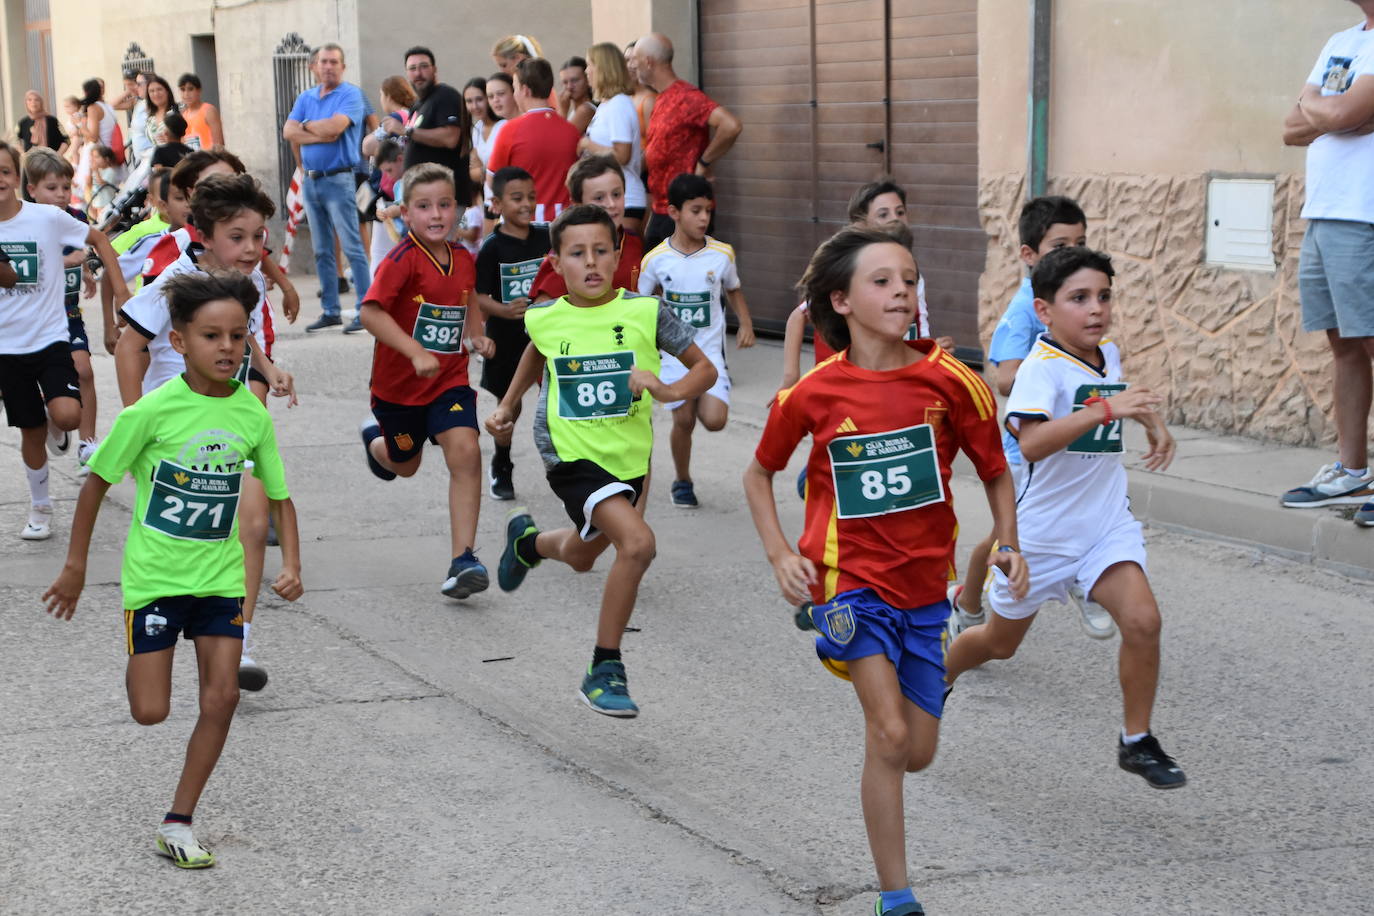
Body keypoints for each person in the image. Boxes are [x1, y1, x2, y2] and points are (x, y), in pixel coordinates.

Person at [742, 226, 1026, 916]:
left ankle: (941, 671)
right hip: (846, 584)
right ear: (841, 300)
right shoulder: (813, 393)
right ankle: (896, 896)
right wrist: (782, 552)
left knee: (917, 751)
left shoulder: (953, 383)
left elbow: (995, 472)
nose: (901, 290)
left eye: (908, 278)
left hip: (926, 591)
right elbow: (758, 474)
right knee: (889, 734)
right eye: (882, 280)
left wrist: (1008, 542)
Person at [43, 268, 303, 870]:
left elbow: (281, 496)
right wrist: (76, 565)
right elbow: (96, 486)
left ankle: (178, 822)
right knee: (150, 710)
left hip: (219, 580)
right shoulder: (152, 413)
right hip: (156, 582)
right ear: (180, 342)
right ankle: (142, 657)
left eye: (237, 336)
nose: (227, 348)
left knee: (222, 699)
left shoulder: (250, 413)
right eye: (211, 336)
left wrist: (291, 562)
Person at [944, 245, 1187, 791]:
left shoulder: (1108, 353)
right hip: (1043, 535)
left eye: (1103, 296)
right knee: (997, 644)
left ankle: (1136, 740)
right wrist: (1103, 410)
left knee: (1144, 621)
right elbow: (1030, 443)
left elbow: (1114, 397)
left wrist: (1152, 424)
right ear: (1045, 310)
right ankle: (940, 673)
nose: (1095, 309)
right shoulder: (1040, 370)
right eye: (1079, 298)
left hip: (1103, 524)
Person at [485, 204, 714, 717]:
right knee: (638, 544)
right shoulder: (545, 315)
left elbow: (703, 368)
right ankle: (604, 667)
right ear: (556, 261)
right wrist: (508, 405)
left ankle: (528, 544)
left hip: (629, 458)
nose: (590, 262)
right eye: (576, 253)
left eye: (601, 251)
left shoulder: (646, 313)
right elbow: (536, 353)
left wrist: (668, 387)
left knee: (586, 557)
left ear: (618, 255)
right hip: (570, 455)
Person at [117, 173, 296, 692]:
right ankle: (169, 624)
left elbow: (245, 332)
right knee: (194, 540)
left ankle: (242, 634)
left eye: (259, 237)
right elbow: (130, 347)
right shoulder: (175, 282)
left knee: (254, 522)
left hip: (232, 424)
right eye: (237, 237)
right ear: (206, 236)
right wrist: (137, 426)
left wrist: (268, 365)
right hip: (176, 439)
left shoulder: (251, 280)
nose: (250, 248)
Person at [945, 196, 1112, 639]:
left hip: (1071, 444)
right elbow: (1006, 379)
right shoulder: (1023, 312)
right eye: (1060, 245)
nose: (1071, 252)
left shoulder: (1074, 296)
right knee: (1007, 534)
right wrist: (1050, 363)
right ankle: (973, 602)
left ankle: (967, 600)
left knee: (1015, 531)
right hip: (1028, 451)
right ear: (1029, 254)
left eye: (1079, 242)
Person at [357, 162, 494, 599]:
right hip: (398, 390)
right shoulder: (401, 260)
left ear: (457, 208)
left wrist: (476, 335)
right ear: (405, 213)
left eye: (444, 204)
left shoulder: (464, 258)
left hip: (448, 380)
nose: (436, 215)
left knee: (466, 450)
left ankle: (463, 559)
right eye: (423, 206)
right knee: (406, 465)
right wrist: (414, 351)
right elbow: (370, 312)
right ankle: (376, 441)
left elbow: (466, 298)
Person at [0, 139, 130, 539]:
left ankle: (59, 423)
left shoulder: (46, 219)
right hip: (7, 347)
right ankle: (40, 508)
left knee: (69, 416)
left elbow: (99, 239)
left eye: (4, 171)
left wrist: (122, 291)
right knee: (31, 432)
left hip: (51, 336)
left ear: (16, 179)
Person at [1281, 2, 1374, 527]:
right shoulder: (1342, 40)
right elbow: (1291, 127)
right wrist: (1332, 108)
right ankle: (1353, 469)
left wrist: (1323, 107)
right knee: (1344, 346)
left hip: (1365, 217)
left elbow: (1328, 116)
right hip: (1325, 212)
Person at [638, 173, 754, 508]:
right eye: (696, 210)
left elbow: (733, 289)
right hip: (674, 358)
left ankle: (702, 403)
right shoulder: (656, 259)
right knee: (683, 420)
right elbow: (640, 305)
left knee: (715, 421)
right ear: (674, 212)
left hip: (711, 356)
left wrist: (746, 323)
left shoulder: (722, 255)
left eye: (708, 210)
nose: (704, 218)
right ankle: (682, 481)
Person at [780, 180, 939, 389]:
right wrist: (791, 377)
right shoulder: (848, 272)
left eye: (900, 212)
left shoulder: (912, 275)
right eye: (883, 214)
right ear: (861, 223)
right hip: (839, 384)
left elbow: (920, 328)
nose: (895, 219)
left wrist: (932, 351)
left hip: (889, 381)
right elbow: (798, 316)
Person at [282, 43, 373, 333]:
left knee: (352, 247)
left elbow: (336, 130)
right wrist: (316, 130)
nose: (329, 66)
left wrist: (306, 127)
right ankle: (330, 310)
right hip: (311, 179)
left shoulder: (351, 95)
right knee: (322, 250)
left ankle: (364, 309)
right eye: (324, 61)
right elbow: (288, 131)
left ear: (342, 66)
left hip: (339, 178)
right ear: (314, 66)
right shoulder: (306, 97)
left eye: (334, 61)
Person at [473, 165, 550, 500]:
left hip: (547, 339)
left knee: (558, 405)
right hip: (507, 340)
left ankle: (570, 469)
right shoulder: (492, 248)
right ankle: (501, 463)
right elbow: (476, 296)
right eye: (517, 198)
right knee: (511, 407)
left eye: (531, 197)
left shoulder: (547, 237)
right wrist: (503, 311)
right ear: (497, 204)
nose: (526, 204)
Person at [23, 148, 100, 472]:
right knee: (42, 380)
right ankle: (52, 414)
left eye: (65, 187)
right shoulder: (22, 222)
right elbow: (20, 271)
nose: (60, 195)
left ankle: (87, 444)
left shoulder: (77, 218)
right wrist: (64, 261)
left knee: (84, 370)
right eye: (52, 188)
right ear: (32, 190)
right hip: (31, 317)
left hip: (67, 312)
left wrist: (84, 272)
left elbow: (84, 250)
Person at [633, 33, 742, 252]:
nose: (633, 66)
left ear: (648, 61)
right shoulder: (661, 97)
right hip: (662, 208)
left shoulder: (686, 96)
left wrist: (703, 163)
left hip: (685, 212)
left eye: (635, 59)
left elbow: (730, 125)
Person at [527, 154, 642, 303]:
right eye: (599, 198)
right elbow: (543, 311)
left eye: (616, 194)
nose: (611, 204)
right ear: (577, 204)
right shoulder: (568, 255)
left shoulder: (634, 242)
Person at [486, 59, 581, 224]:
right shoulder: (571, 131)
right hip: (564, 223)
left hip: (524, 224)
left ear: (525, 90)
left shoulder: (510, 130)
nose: (515, 94)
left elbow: (492, 180)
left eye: (515, 88)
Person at [580, 42, 647, 234]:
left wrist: (587, 144)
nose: (587, 71)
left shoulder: (619, 104)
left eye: (590, 65)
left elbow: (622, 155)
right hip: (610, 196)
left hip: (626, 199)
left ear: (602, 69)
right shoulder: (606, 105)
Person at [396, 47, 477, 198]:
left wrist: (407, 131)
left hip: (445, 198)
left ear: (434, 69)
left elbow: (450, 138)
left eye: (424, 66)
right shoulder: (418, 105)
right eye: (412, 68)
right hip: (421, 198)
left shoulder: (446, 96)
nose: (418, 73)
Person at [366, 139, 406, 273]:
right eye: (385, 172)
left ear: (400, 159)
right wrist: (382, 212)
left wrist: (398, 210)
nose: (388, 175)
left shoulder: (413, 180)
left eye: (389, 170)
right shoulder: (397, 184)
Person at [177, 73, 224, 150]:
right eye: (183, 89)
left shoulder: (209, 111)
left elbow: (219, 144)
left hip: (209, 159)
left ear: (199, 90)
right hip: (192, 160)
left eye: (190, 89)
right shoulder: (183, 115)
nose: (186, 94)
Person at [624, 42, 656, 140]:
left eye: (635, 59)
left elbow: (653, 142)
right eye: (627, 60)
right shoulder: (626, 97)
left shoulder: (650, 100)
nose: (630, 65)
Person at [557, 56, 597, 132]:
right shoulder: (576, 110)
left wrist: (563, 111)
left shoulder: (585, 109)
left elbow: (562, 140)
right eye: (565, 82)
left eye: (574, 80)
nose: (569, 86)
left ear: (587, 79)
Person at [143, 74, 178, 154]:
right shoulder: (150, 118)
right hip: (158, 161)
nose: (156, 94)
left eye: (159, 89)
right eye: (151, 91)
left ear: (167, 91)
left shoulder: (177, 112)